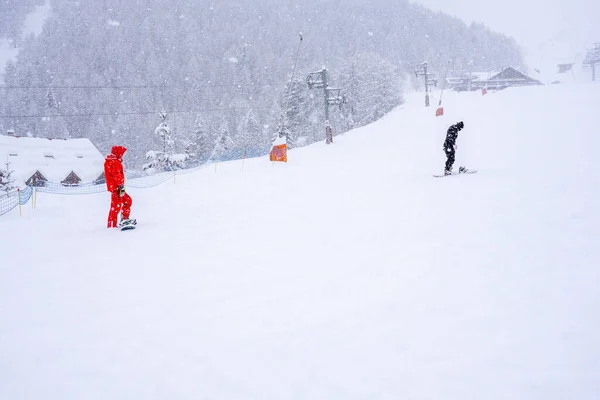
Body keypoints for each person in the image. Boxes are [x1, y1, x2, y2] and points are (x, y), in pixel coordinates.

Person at [104, 145, 134, 228]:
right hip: (117, 188)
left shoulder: (111, 161)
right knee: (115, 207)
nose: (122, 155)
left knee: (127, 201)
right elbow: (117, 176)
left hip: (116, 187)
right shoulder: (114, 162)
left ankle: (124, 219)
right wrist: (121, 187)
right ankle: (112, 227)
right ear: (118, 153)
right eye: (121, 153)